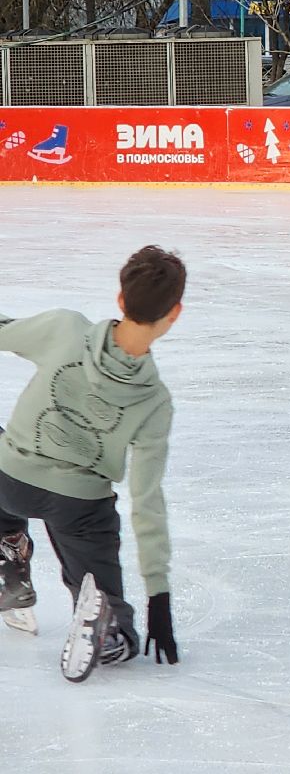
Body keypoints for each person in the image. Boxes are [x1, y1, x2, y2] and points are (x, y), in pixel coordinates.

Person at [0, 246, 185, 682]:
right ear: (174, 313)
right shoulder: (155, 402)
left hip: (9, 479)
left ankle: (9, 555)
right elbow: (147, 501)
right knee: (117, 621)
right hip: (79, 507)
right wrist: (158, 595)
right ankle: (111, 625)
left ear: (121, 298)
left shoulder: (64, 330)